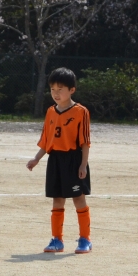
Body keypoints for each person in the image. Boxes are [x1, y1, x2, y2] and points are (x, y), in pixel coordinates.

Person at [26, 68, 92, 253]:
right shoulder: (50, 112)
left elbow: (85, 142)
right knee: (57, 200)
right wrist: (36, 158)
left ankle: (85, 239)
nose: (56, 93)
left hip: (74, 159)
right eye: (52, 89)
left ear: (72, 90)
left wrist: (83, 165)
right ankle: (57, 239)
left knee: (78, 199)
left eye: (60, 89)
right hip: (55, 160)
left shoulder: (81, 112)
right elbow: (47, 140)